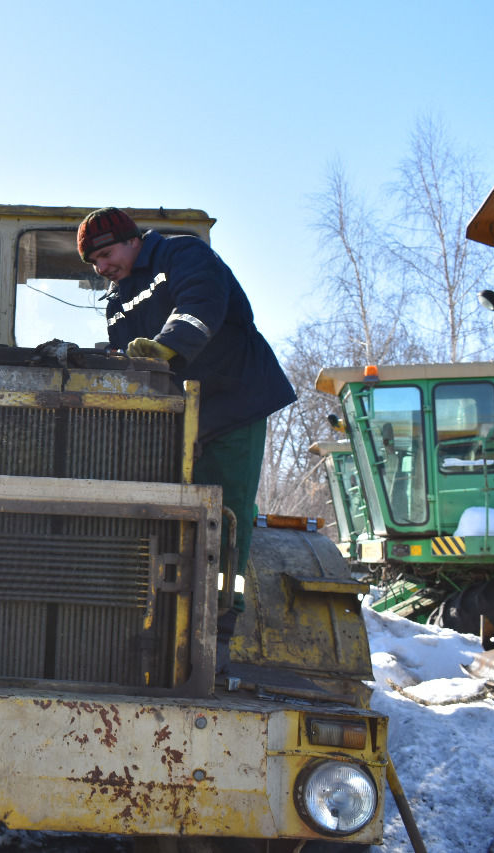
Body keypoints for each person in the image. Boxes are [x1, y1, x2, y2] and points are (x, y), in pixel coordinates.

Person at [77, 207, 295, 614]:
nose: (101, 267)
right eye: (93, 262)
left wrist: (167, 345)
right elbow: (128, 363)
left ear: (132, 240)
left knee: (226, 507)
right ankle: (167, 601)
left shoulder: (183, 255)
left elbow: (200, 305)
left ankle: (222, 607)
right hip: (178, 417)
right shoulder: (117, 304)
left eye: (105, 255)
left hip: (234, 402)